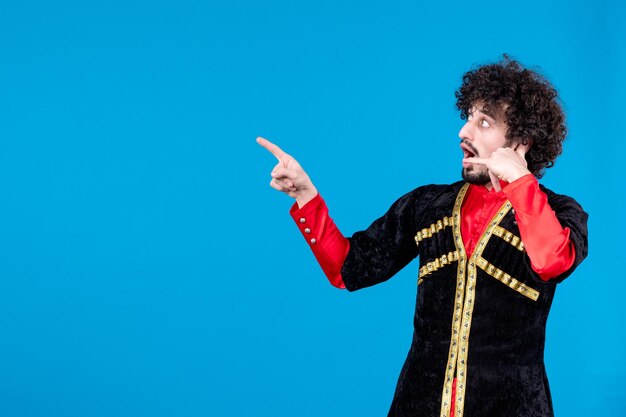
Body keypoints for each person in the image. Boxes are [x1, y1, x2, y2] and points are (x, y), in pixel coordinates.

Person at [258, 57, 588, 417]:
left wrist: (520, 183)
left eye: (484, 122)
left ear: (522, 140)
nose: (464, 132)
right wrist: (306, 197)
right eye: (467, 118)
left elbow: (551, 260)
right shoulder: (428, 205)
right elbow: (348, 269)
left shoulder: (558, 213)